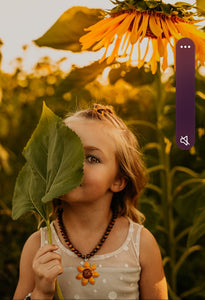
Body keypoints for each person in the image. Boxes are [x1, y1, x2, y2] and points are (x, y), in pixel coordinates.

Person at [13, 104, 168, 300]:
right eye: (64, 153)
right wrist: (41, 293)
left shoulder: (141, 245)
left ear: (118, 180)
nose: (73, 163)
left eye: (92, 158)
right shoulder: (38, 246)